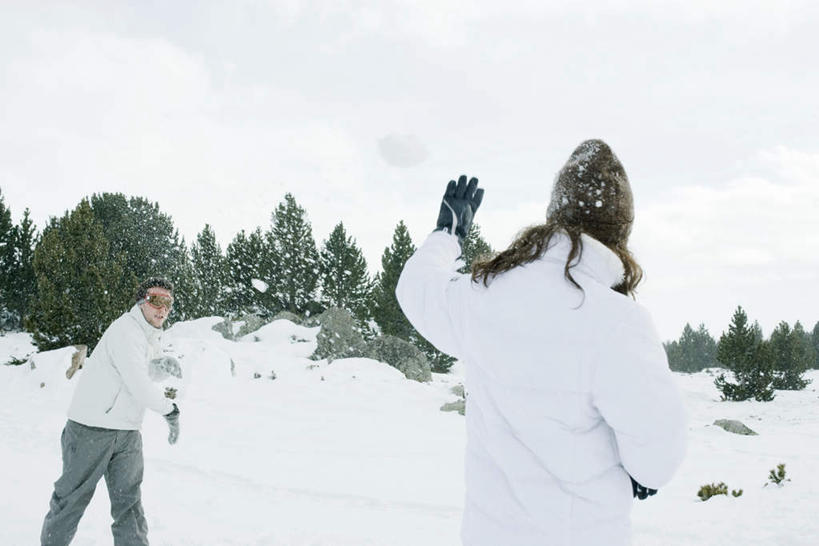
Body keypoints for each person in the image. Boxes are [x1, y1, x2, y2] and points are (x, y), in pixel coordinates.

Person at [396, 140, 687, 546]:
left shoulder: (484, 295)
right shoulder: (618, 324)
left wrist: (447, 233)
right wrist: (640, 470)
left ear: (556, 214)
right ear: (621, 231)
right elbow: (658, 455)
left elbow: (416, 289)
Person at [41, 278, 181, 546]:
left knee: (129, 504)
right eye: (156, 301)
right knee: (71, 499)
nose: (162, 309)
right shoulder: (125, 331)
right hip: (90, 429)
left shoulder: (148, 336)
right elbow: (137, 383)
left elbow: (133, 375)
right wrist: (170, 411)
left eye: (168, 303)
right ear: (141, 302)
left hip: (127, 432)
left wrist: (159, 367)